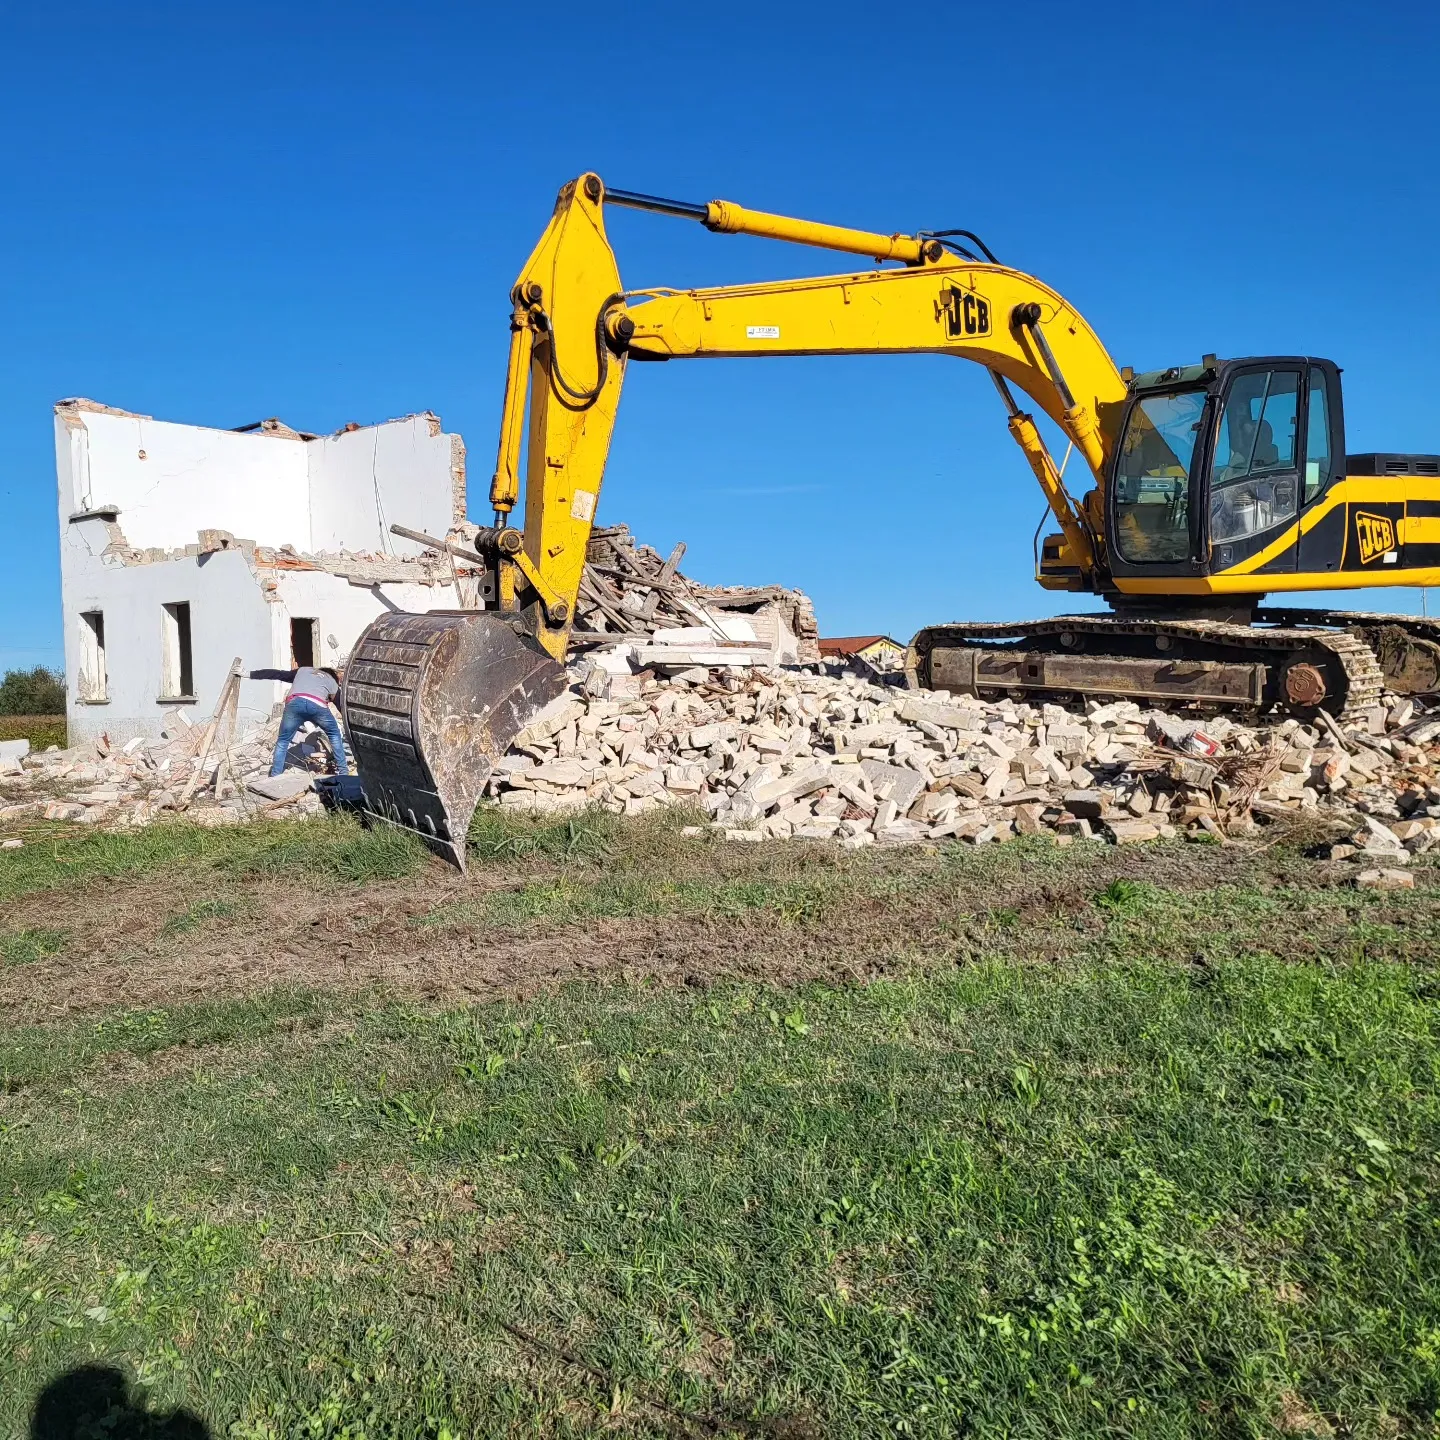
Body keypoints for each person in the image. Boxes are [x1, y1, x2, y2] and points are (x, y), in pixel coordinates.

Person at [249, 664, 348, 777]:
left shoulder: (303, 671)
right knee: (334, 734)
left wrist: (250, 674)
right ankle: (344, 772)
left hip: (295, 703)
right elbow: (341, 707)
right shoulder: (332, 682)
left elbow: (277, 673)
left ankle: (275, 775)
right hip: (318, 706)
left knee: (283, 740)